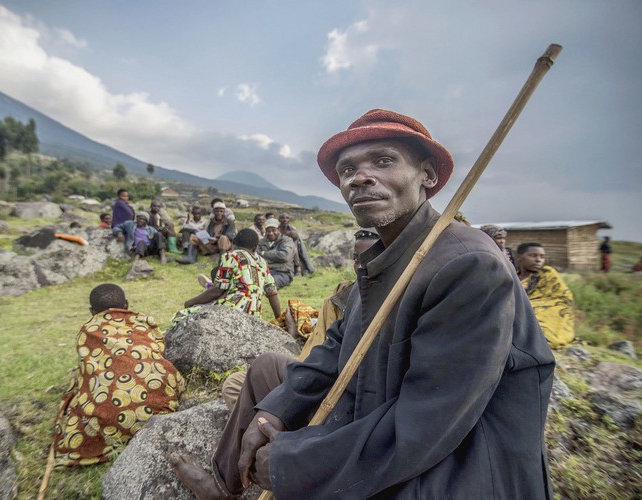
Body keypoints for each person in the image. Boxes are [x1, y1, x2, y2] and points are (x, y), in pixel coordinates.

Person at [169, 108, 554, 499]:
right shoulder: (385, 260)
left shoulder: (468, 265)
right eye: (348, 169)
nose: (360, 177)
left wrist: (295, 462)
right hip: (375, 397)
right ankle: (223, 485)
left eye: (384, 161)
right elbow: (337, 346)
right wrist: (277, 409)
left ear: (427, 174)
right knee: (269, 371)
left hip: (453, 462)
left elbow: (428, 422)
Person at [221, 228, 381, 410]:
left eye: (369, 259)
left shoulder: (390, 303)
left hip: (338, 392)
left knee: (265, 371)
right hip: (311, 374)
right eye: (356, 259)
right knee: (235, 384)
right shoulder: (340, 297)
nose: (360, 266)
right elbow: (317, 350)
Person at [52, 283, 185, 466]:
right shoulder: (144, 321)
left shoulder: (87, 331)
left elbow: (88, 371)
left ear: (92, 312)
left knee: (81, 394)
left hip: (110, 421)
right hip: (161, 407)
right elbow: (159, 348)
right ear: (126, 305)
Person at [171, 229, 283, 325]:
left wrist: (190, 302)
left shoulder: (232, 256)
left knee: (181, 316)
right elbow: (272, 294)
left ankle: (208, 285)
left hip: (232, 310)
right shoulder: (262, 262)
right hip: (254, 315)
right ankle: (209, 285)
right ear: (255, 248)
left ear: (233, 243)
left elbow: (218, 290)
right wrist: (279, 320)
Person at [517, 242, 575, 348]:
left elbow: (562, 297)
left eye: (542, 257)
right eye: (533, 255)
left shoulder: (547, 273)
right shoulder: (512, 275)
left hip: (548, 309)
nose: (538, 260)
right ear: (519, 257)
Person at [257, 218, 295, 289]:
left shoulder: (287, 240)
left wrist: (264, 254)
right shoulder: (261, 242)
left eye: (273, 230)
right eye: (268, 231)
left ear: (279, 229)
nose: (271, 233)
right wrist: (276, 257)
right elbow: (257, 256)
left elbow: (284, 256)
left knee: (270, 284)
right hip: (264, 271)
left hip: (282, 272)